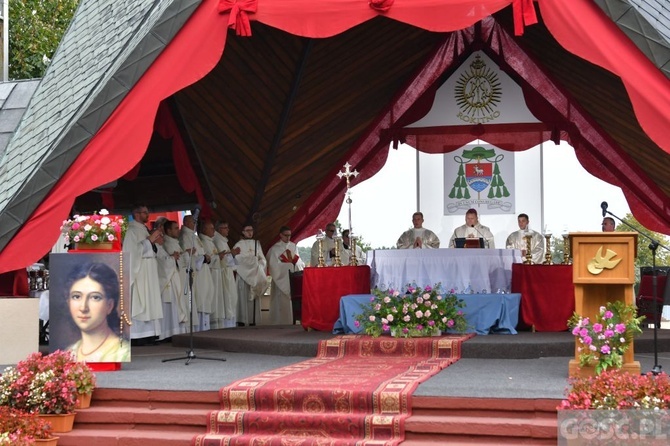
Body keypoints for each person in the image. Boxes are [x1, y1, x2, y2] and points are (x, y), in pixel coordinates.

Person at [65, 262, 130, 362]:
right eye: (76, 296)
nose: (83, 307)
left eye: (95, 297)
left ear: (110, 305)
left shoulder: (121, 353)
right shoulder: (69, 352)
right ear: (68, 302)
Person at [122, 204, 163, 342]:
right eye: (145, 213)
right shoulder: (131, 230)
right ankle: (138, 336)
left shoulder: (144, 229)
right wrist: (149, 241)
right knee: (141, 301)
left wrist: (153, 243)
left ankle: (151, 334)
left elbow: (150, 248)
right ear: (137, 214)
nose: (148, 215)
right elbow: (131, 252)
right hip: (140, 271)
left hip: (149, 269)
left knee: (150, 300)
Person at [179, 213, 214, 331]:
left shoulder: (193, 235)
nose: (195, 224)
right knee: (200, 301)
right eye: (193, 222)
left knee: (204, 298)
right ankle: (200, 329)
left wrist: (204, 258)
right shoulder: (185, 236)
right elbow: (188, 257)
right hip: (197, 274)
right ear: (186, 223)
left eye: (196, 222)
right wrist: (203, 258)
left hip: (203, 272)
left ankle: (204, 328)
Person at [267, 226, 304, 325]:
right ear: (280, 235)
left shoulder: (293, 246)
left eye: (290, 235)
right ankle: (279, 322)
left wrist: (295, 264)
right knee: (280, 303)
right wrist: (286, 266)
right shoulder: (274, 249)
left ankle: (293, 321)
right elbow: (272, 265)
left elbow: (300, 262)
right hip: (280, 280)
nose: (288, 238)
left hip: (292, 280)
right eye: (286, 235)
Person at [155, 218, 186, 339]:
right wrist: (172, 258)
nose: (162, 238)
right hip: (166, 284)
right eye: (160, 236)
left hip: (171, 281)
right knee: (168, 309)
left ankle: (173, 331)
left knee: (173, 307)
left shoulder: (161, 248)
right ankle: (166, 333)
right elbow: (162, 264)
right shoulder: (157, 248)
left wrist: (174, 258)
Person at [233, 223, 267, 326]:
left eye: (251, 230)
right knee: (243, 298)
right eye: (247, 230)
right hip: (244, 276)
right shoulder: (239, 245)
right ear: (243, 232)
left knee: (253, 300)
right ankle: (242, 320)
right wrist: (253, 261)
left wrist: (258, 263)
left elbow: (263, 259)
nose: (249, 232)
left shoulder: (257, 243)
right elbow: (237, 259)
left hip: (255, 276)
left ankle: (253, 320)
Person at [199, 219, 225, 329]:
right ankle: (212, 323)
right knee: (211, 298)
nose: (213, 231)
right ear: (204, 229)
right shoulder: (204, 242)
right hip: (210, 274)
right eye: (211, 228)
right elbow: (206, 259)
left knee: (216, 299)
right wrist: (218, 257)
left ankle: (217, 323)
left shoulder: (210, 241)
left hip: (216, 273)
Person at [213, 221, 239, 328]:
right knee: (227, 298)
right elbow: (221, 258)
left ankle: (230, 323)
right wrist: (232, 254)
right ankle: (226, 325)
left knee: (231, 297)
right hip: (223, 274)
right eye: (225, 228)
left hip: (227, 273)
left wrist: (232, 255)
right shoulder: (217, 240)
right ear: (219, 229)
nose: (228, 230)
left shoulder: (223, 240)